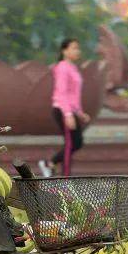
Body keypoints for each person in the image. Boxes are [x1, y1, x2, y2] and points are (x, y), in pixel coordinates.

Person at [39, 38, 89, 177]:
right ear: (64, 50)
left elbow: (73, 94)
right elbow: (62, 92)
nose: (77, 51)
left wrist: (79, 113)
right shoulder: (62, 67)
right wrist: (67, 114)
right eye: (73, 48)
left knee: (77, 143)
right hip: (62, 110)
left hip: (71, 111)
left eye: (78, 48)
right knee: (70, 144)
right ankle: (66, 178)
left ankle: (49, 164)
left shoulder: (72, 68)